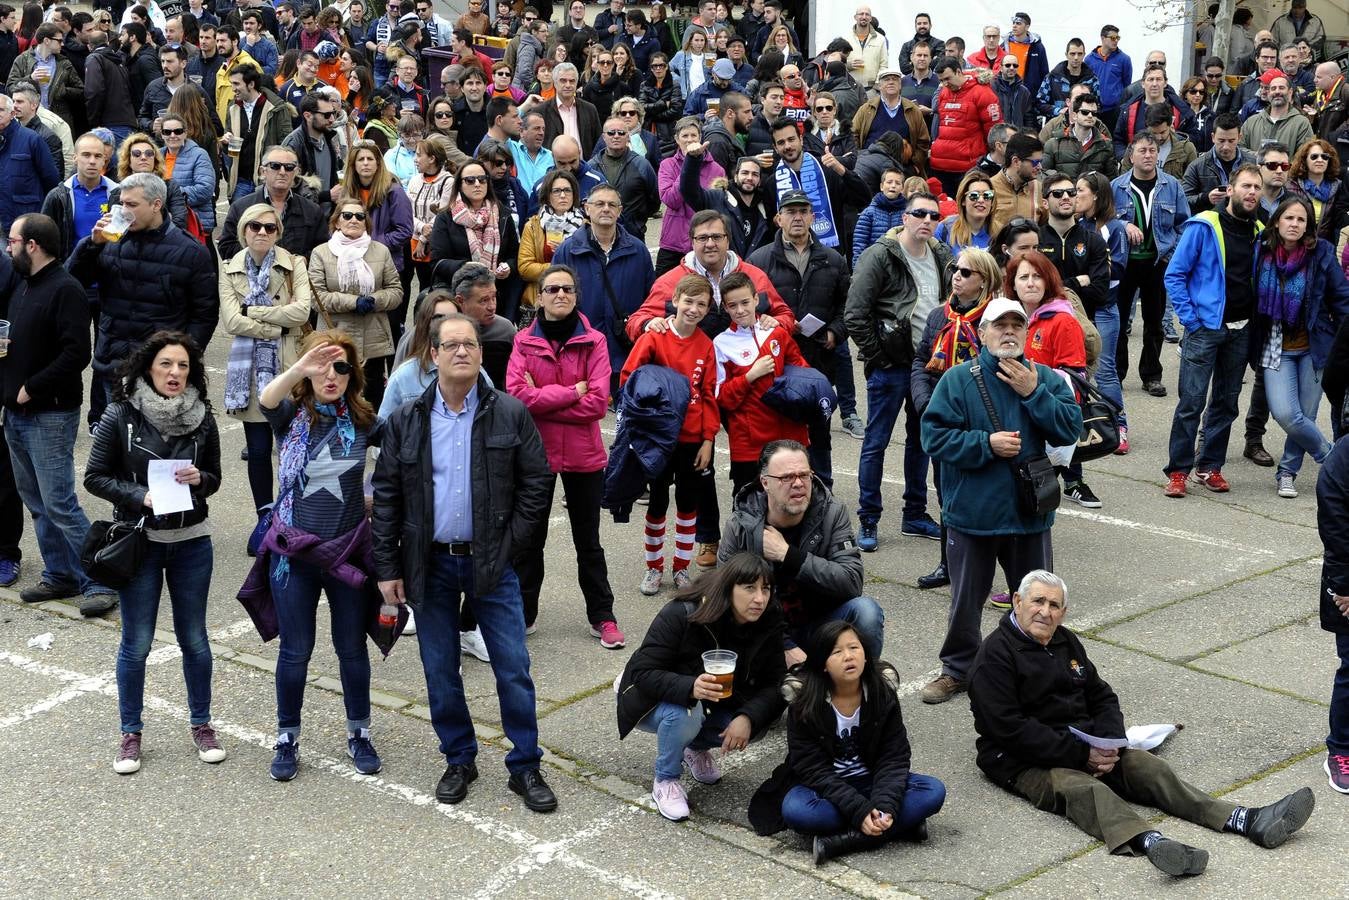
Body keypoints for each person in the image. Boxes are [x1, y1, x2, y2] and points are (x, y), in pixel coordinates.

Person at [970, 569, 1316, 875]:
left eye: (1054, 605)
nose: (1045, 612)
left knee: (1152, 769)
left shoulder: (1065, 640)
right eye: (1037, 601)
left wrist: (1109, 742)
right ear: (1017, 601)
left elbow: (1101, 695)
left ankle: (1245, 819)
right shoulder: (995, 656)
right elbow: (1008, 728)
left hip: (1085, 744)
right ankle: (1152, 844)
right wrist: (1081, 756)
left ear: (1064, 611)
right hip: (1021, 759)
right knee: (1084, 789)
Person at [372, 308, 557, 811]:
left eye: (469, 345)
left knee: (513, 666)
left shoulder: (509, 412)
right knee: (439, 668)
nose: (461, 352)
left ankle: (525, 766)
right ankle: (459, 758)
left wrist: (509, 545)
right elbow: (386, 496)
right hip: (429, 566)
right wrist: (387, 567)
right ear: (432, 355)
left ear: (480, 353)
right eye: (450, 345)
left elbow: (537, 484)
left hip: (492, 565)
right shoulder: (408, 419)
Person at [918, 298, 1082, 704]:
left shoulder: (1045, 377)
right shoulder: (957, 380)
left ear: (1026, 334)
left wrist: (1033, 393)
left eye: (1016, 325)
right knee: (965, 602)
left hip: (1029, 515)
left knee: (1037, 603)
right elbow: (933, 437)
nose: (1008, 332)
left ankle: (1035, 668)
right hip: (972, 515)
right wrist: (985, 444)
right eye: (999, 325)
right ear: (983, 333)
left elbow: (1069, 429)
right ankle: (957, 670)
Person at [85, 330, 224, 775]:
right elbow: (94, 476)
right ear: (149, 367)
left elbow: (217, 477)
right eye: (166, 364)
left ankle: (201, 724)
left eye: (183, 365)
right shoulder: (120, 415)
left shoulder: (204, 417)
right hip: (141, 543)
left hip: (191, 543)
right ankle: (131, 734)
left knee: (195, 640)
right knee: (137, 642)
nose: (175, 373)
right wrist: (138, 495)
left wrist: (201, 479)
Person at [248, 332, 384, 782]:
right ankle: (287, 736)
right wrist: (300, 367)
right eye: (323, 366)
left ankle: (359, 731)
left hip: (345, 553)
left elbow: (407, 448)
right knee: (295, 651)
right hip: (294, 556)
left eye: (341, 367)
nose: (332, 375)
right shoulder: (292, 416)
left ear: (353, 375)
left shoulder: (364, 421)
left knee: (350, 648)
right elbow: (267, 399)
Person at [749, 618, 945, 864]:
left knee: (933, 791)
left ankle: (840, 842)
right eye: (837, 651)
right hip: (826, 789)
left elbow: (893, 756)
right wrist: (858, 810)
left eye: (854, 648)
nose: (848, 656)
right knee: (797, 810)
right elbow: (812, 769)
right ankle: (900, 827)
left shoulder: (881, 693)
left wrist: (885, 805)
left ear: (865, 655)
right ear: (822, 664)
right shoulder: (805, 703)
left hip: (872, 780)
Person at [2, 212, 116, 615]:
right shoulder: (23, 285)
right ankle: (59, 574)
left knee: (60, 503)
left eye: (12, 241)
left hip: (49, 414)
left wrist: (31, 386)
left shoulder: (64, 289)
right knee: (36, 502)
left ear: (32, 245)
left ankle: (100, 580)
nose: (8, 248)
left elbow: (76, 354)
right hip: (15, 415)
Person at [616, 552, 785, 821]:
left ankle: (693, 748)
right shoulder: (684, 612)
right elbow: (643, 672)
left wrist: (748, 716)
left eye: (765, 589)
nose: (759, 599)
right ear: (729, 588)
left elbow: (777, 683)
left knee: (755, 726)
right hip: (648, 698)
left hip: (709, 701)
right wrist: (690, 686)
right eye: (749, 588)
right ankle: (666, 780)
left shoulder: (769, 617)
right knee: (684, 712)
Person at [506, 264, 624, 647]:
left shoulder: (595, 341)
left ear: (576, 296)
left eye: (568, 290)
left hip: (584, 456)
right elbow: (518, 399)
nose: (561, 295)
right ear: (539, 296)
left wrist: (545, 396)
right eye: (553, 289)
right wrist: (572, 391)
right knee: (529, 541)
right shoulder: (523, 341)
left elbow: (596, 404)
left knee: (587, 542)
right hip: (535, 457)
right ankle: (523, 616)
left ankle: (602, 617)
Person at [844, 192, 950, 553]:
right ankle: (868, 518)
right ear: (903, 217)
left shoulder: (940, 254)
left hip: (927, 366)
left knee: (922, 443)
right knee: (876, 442)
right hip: (890, 366)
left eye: (933, 216)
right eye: (919, 213)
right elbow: (855, 313)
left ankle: (915, 514)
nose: (927, 220)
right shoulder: (881, 255)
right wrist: (880, 355)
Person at [67, 173, 216, 423]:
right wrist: (91, 245)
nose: (124, 211)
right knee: (116, 452)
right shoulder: (110, 241)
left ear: (156, 205)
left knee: (155, 451)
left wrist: (180, 361)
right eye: (121, 204)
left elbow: (205, 314)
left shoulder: (191, 252)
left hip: (157, 372)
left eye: (132, 205)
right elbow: (71, 283)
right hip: (113, 364)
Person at [1161, 162, 1264, 498]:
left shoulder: (1260, 230)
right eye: (1246, 186)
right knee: (1191, 402)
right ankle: (1178, 471)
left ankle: (1210, 467)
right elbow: (1174, 275)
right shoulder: (1204, 225)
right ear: (1230, 188)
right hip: (1204, 329)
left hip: (1240, 329)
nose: (1251, 192)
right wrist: (1190, 320)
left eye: (1256, 188)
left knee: (1225, 402)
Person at [621, 273, 718, 594]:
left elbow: (707, 395)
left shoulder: (706, 345)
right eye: (688, 301)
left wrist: (708, 439)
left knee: (688, 504)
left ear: (707, 310)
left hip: (691, 440)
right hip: (658, 439)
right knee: (657, 500)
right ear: (675, 300)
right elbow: (629, 379)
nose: (693, 309)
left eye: (701, 304)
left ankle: (680, 567)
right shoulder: (654, 337)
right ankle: (653, 568)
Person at [1249, 196, 1349, 498]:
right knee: (1286, 414)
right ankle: (1329, 455)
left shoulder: (1322, 253)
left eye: (1301, 220)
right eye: (1289, 218)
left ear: (1308, 226)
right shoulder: (1260, 250)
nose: (1294, 224)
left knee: (1305, 412)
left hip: (1315, 346)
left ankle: (1287, 472)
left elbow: (1341, 298)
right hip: (1275, 345)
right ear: (1277, 221)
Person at [219, 202, 313, 517]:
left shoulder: (294, 263)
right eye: (255, 227)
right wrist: (276, 326)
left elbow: (302, 312)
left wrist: (255, 313)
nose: (262, 232)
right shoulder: (229, 267)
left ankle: (294, 515)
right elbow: (231, 321)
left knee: (294, 446)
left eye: (269, 228)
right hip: (250, 371)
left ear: (278, 233)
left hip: (289, 365)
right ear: (244, 230)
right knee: (258, 451)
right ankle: (265, 518)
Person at [1007, 249, 1095, 509]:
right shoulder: (1010, 318)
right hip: (1013, 417)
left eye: (1037, 276)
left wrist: (1032, 385)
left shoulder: (1062, 321)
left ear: (1048, 281)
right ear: (1013, 283)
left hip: (1044, 419)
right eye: (1023, 277)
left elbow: (1075, 378)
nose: (1031, 283)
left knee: (1033, 498)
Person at [1112, 131, 1190, 398]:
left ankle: (1151, 375)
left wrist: (1172, 256)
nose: (1148, 155)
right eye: (1142, 150)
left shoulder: (1172, 186)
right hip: (1124, 264)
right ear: (1131, 155)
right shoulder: (1117, 187)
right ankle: (1116, 374)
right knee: (1119, 322)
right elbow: (1105, 223)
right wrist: (1124, 224)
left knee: (1155, 323)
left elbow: (1183, 224)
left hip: (1158, 263)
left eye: (1153, 151)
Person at [308, 198, 401, 409]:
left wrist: (374, 301)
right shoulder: (321, 253)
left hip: (373, 338)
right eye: (347, 215)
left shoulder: (381, 251)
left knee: (372, 399)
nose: (353, 220)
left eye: (360, 216)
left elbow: (396, 291)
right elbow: (316, 297)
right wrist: (353, 302)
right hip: (335, 337)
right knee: (334, 397)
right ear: (337, 221)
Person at [1075, 171, 1131, 453]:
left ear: (1096, 194)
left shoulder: (1115, 228)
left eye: (1080, 190)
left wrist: (1089, 275)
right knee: (1079, 370)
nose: (1074, 196)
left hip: (1105, 308)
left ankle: (1118, 425)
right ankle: (1087, 424)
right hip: (1078, 308)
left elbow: (1117, 268)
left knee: (1106, 370)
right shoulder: (1076, 225)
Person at [337, 140, 414, 343]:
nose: (365, 163)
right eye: (360, 159)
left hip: (387, 266)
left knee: (388, 328)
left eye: (370, 159)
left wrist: (370, 244)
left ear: (378, 163)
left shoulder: (394, 191)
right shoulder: (347, 192)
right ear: (353, 165)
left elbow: (405, 231)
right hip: (353, 265)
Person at [428, 159, 520, 319]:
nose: (477, 184)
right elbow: (437, 262)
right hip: (458, 299)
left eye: (482, 179)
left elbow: (514, 254)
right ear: (460, 185)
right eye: (470, 180)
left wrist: (508, 267)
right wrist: (466, 266)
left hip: (496, 297)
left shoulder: (503, 215)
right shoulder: (445, 217)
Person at [217, 144, 326, 262]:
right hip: (251, 278)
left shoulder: (312, 210)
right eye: (275, 166)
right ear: (263, 171)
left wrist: (300, 261)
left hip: (295, 278)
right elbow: (226, 247)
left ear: (296, 172)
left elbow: (322, 250)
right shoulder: (240, 207)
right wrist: (258, 255)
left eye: (289, 167)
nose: (282, 172)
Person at [655, 117, 725, 275]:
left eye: (693, 135)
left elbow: (717, 206)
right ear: (676, 139)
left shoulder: (717, 169)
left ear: (700, 137)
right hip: (673, 243)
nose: (689, 140)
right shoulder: (667, 165)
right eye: (685, 136)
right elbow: (671, 200)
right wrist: (689, 165)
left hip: (705, 243)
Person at [928, 56, 1002, 197]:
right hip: (940, 164)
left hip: (967, 166)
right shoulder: (944, 93)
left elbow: (993, 130)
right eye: (941, 80)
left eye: (947, 79)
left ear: (958, 72)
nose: (944, 84)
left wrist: (990, 158)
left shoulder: (983, 93)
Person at [222, 64, 293, 202]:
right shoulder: (233, 107)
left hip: (266, 181)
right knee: (240, 221)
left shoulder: (276, 108)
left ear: (251, 84)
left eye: (236, 84)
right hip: (240, 181)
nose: (233, 89)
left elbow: (286, 145)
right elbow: (230, 149)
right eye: (232, 84)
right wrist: (226, 142)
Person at [0, 93, 59, 235]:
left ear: (12, 113)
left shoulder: (32, 139)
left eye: (0, 110)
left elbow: (51, 180)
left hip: (23, 222)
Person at [849, 67, 929, 167]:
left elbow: (923, 142)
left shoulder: (913, 110)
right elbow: (852, 135)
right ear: (879, 86)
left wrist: (915, 166)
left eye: (895, 79)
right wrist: (860, 160)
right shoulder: (866, 109)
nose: (891, 82)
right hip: (871, 166)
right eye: (887, 79)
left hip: (903, 168)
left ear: (900, 85)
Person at [7, 23, 84, 126]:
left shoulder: (63, 63)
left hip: (57, 119)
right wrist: (30, 78)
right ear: (47, 41)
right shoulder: (23, 59)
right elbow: (10, 88)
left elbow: (80, 89)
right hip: (29, 119)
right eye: (59, 41)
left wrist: (63, 91)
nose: (62, 44)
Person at [114, 133, 191, 232]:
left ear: (155, 159)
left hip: (165, 243)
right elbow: (118, 229)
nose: (143, 157)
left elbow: (180, 222)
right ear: (128, 160)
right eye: (137, 153)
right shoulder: (119, 191)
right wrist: (165, 219)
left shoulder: (170, 186)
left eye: (149, 153)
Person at [1182, 112, 1253, 214]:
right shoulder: (1197, 166)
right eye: (1221, 140)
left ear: (1239, 137)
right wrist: (1206, 198)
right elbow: (1183, 199)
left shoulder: (1252, 163)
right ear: (1213, 137)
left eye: (1231, 141)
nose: (1226, 146)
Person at [160, 114, 216, 238]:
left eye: (178, 131)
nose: (172, 135)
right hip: (165, 222)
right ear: (162, 134)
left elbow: (205, 189)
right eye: (167, 132)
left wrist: (171, 196)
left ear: (185, 133)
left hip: (194, 222)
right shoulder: (157, 155)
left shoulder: (199, 154)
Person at [1042, 92, 1117, 180]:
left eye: (1094, 113)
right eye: (1085, 112)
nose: (1090, 116)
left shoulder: (1106, 145)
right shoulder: (1054, 143)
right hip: (1063, 193)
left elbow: (1111, 181)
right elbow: (1044, 176)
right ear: (1074, 115)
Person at [1288, 138, 1348, 240]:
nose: (1320, 160)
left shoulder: (1339, 187)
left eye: (1325, 157)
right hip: (1298, 242)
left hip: (1326, 246)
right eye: (1314, 156)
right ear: (1304, 160)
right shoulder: (1291, 186)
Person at [934, 171, 994, 255]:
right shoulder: (945, 229)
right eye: (974, 195)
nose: (981, 200)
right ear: (963, 200)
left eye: (987, 195)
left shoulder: (999, 233)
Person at [639, 52, 684, 158]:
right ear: (651, 68)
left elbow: (675, 111)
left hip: (668, 132)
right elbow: (641, 108)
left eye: (661, 65)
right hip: (648, 128)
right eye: (655, 66)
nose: (658, 69)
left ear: (667, 67)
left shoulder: (674, 85)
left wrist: (652, 114)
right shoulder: (644, 85)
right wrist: (663, 104)